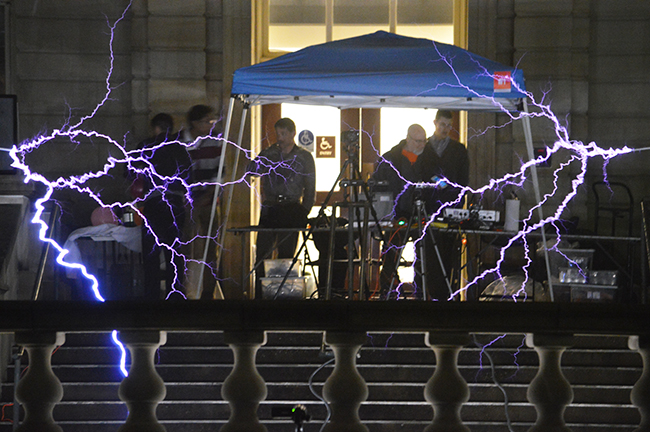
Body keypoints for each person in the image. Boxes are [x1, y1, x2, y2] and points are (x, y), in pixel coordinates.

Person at [247, 118, 316, 299]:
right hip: (271, 206)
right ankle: (260, 296)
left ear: (293, 133)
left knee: (286, 255)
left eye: (284, 134)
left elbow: (310, 187)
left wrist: (304, 212)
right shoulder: (270, 154)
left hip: (292, 206)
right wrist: (267, 152)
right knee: (262, 252)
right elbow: (251, 170)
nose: (280, 138)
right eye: (278, 134)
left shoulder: (304, 157)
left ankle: (285, 297)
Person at [373, 124, 433, 299]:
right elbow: (378, 186)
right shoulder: (390, 159)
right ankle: (389, 288)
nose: (422, 145)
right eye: (418, 141)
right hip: (397, 214)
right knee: (392, 253)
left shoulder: (429, 159)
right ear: (408, 139)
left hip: (423, 214)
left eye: (424, 141)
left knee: (423, 254)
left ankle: (421, 290)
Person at [137, 113, 192, 299]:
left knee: (151, 254)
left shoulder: (145, 146)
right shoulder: (180, 149)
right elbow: (189, 177)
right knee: (174, 253)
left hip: (153, 204)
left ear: (155, 128)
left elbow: (130, 173)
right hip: (175, 205)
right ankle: (175, 295)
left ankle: (151, 297)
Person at [421, 110, 469, 300]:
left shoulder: (459, 150)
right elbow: (421, 174)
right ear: (435, 123)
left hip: (450, 209)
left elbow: (463, 181)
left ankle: (447, 294)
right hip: (428, 207)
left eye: (449, 125)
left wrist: (458, 205)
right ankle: (428, 293)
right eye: (442, 124)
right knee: (428, 254)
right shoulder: (424, 148)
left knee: (449, 254)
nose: (445, 129)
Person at [180, 104, 223, 299]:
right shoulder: (178, 141)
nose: (210, 125)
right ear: (195, 123)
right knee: (184, 248)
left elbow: (219, 172)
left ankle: (207, 292)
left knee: (210, 248)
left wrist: (210, 195)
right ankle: (183, 290)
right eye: (207, 121)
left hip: (209, 201)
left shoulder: (215, 141)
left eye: (212, 121)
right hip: (184, 202)